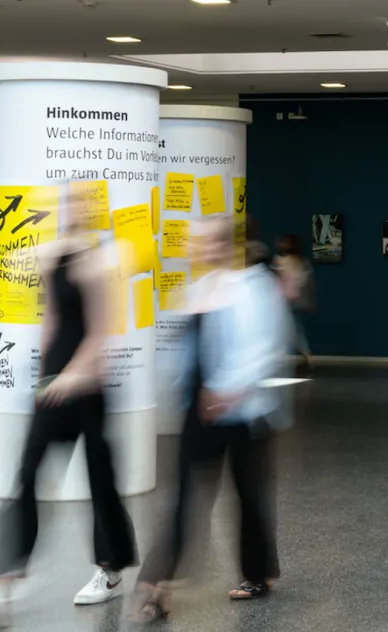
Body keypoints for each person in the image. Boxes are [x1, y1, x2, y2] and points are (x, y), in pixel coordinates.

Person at [0, 188, 137, 630]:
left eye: (82, 204)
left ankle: (110, 570)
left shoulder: (100, 263)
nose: (74, 211)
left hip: (88, 388)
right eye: (69, 203)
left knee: (101, 481)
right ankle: (0, 585)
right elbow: (52, 320)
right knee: (27, 473)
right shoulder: (52, 256)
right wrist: (43, 372)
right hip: (55, 385)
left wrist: (74, 374)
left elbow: (101, 331)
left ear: (93, 212)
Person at [130, 218, 293, 622]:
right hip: (199, 412)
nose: (199, 247)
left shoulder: (254, 288)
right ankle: (156, 587)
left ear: (227, 244)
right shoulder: (198, 289)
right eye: (196, 241)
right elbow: (186, 352)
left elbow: (263, 349)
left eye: (208, 241)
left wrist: (226, 392)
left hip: (243, 414)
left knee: (250, 495)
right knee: (184, 498)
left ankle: (258, 573)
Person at [273, 233, 315, 370]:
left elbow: (276, 279)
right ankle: (306, 357)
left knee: (289, 330)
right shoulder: (301, 261)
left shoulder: (280, 260)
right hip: (292, 300)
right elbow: (307, 281)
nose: (281, 245)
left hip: (285, 301)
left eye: (284, 242)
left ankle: (302, 357)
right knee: (295, 329)